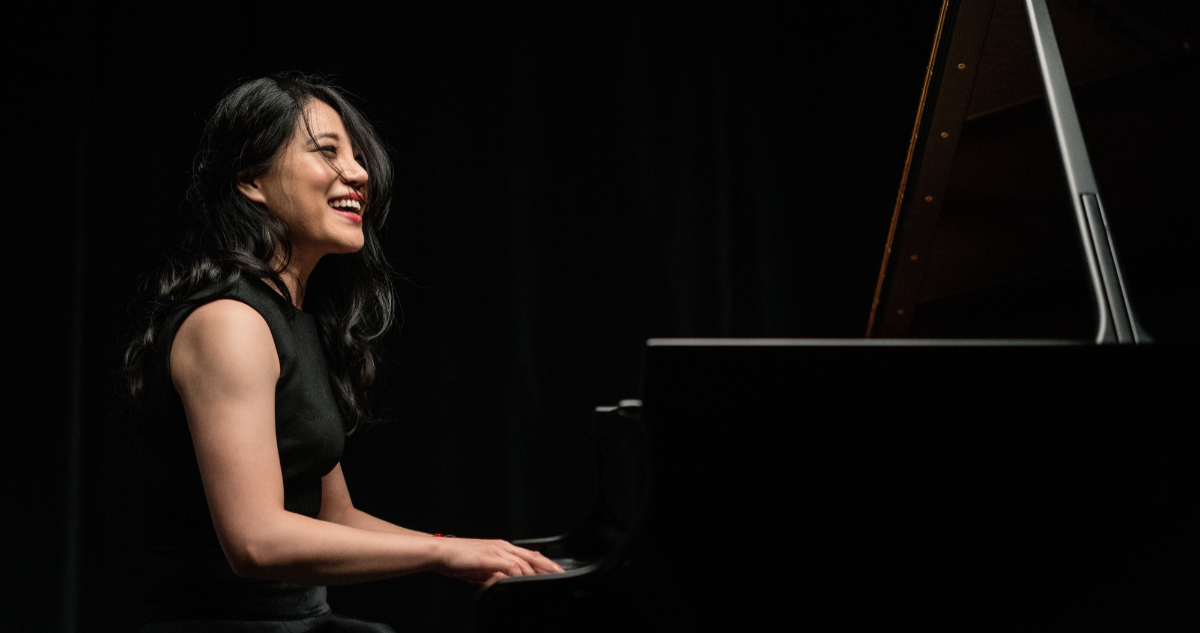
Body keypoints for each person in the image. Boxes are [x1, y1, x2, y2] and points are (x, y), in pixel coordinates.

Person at [121, 73, 563, 632]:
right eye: (327, 152)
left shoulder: (298, 319)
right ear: (251, 180)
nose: (357, 173)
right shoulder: (229, 323)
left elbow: (336, 515)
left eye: (357, 157)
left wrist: (460, 548)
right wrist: (442, 555)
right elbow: (255, 542)